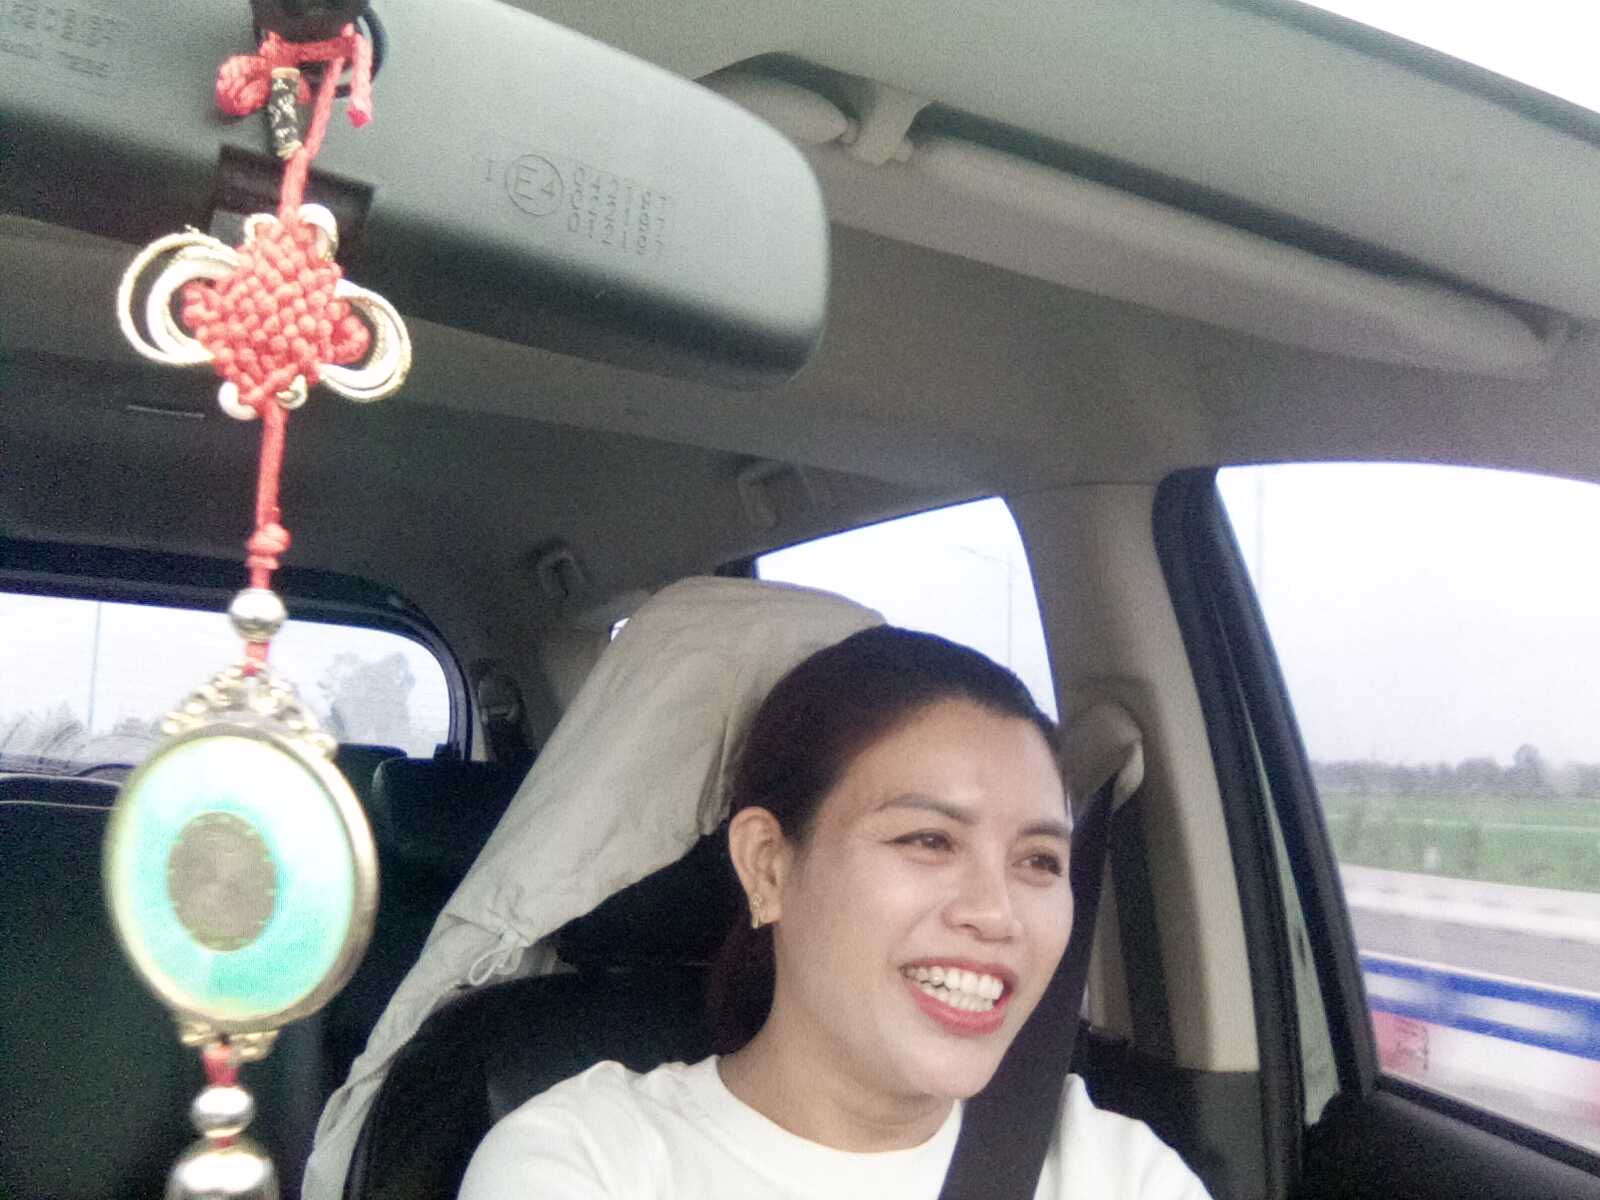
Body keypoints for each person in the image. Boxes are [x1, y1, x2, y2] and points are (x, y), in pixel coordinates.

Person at [460, 626, 1211, 1199]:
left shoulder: (1117, 1172)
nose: (998, 913)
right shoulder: (585, 1163)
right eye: (928, 840)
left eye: (1040, 860)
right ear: (768, 864)